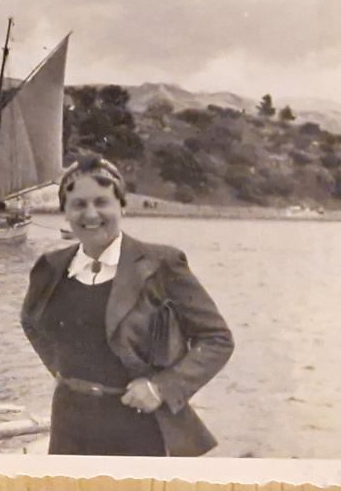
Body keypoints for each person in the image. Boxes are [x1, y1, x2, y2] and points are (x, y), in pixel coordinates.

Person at [20, 154, 234, 457]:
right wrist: (62, 368)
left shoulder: (162, 265)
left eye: (102, 202)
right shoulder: (50, 268)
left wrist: (161, 387)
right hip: (69, 423)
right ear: (64, 212)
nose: (91, 214)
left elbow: (217, 339)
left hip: (139, 427)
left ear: (122, 205)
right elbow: (31, 322)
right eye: (78, 204)